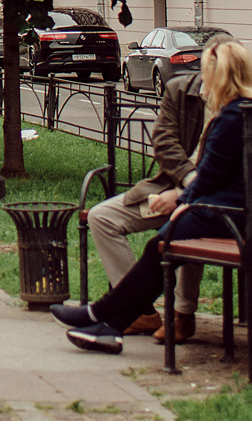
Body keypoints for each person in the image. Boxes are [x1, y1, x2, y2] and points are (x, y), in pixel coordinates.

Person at [54, 41, 252, 352]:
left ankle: (100, 314)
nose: (203, 80)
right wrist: (184, 198)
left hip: (228, 216)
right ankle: (108, 326)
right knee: (163, 242)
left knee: (164, 244)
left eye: (207, 73)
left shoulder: (231, 118)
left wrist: (179, 201)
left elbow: (207, 178)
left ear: (220, 77)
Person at [82, 66, 209, 338]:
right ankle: (140, 312)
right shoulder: (181, 90)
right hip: (168, 189)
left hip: (205, 202)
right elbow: (163, 142)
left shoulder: (238, 105)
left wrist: (187, 195)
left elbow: (225, 171)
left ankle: (182, 315)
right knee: (101, 216)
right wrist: (186, 180)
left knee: (189, 222)